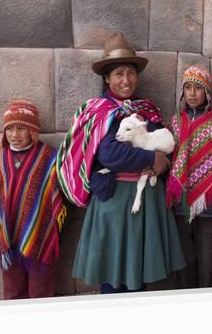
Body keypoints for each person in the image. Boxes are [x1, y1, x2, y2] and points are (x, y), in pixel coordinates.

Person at [57, 32, 185, 294]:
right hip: (114, 202)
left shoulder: (146, 110)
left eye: (130, 73)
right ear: (107, 78)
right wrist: (152, 158)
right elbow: (108, 154)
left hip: (145, 201)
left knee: (139, 273)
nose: (126, 80)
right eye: (118, 74)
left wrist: (164, 159)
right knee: (113, 276)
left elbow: (163, 141)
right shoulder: (99, 112)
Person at [0, 99, 67, 299]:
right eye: (9, 128)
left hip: (40, 239)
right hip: (8, 243)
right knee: (13, 294)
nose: (14, 135)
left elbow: (60, 194)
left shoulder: (49, 158)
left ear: (33, 130)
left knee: (40, 294)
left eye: (21, 128)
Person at [166, 65, 212, 288]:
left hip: (210, 201)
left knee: (207, 259)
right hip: (180, 202)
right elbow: (170, 154)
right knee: (184, 259)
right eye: (187, 87)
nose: (192, 93)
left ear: (206, 93)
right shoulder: (176, 122)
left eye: (198, 88)